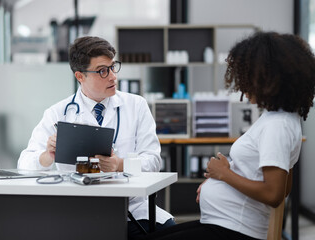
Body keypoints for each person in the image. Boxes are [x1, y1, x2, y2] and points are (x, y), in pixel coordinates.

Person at [139, 31, 315, 240]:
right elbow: (278, 184)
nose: (241, 86)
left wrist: (224, 175)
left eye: (247, 78)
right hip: (224, 223)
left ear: (268, 80)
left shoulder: (278, 125)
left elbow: (274, 193)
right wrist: (224, 176)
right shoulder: (279, 118)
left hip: (233, 230)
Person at [17, 36, 175, 239]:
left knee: (169, 233)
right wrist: (47, 156)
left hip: (132, 211)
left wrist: (119, 164)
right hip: (78, 213)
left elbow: (153, 161)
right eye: (102, 71)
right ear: (80, 76)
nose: (112, 77)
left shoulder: (136, 106)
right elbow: (24, 163)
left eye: (113, 67)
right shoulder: (58, 113)